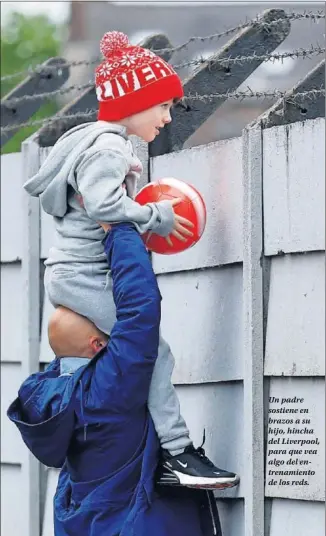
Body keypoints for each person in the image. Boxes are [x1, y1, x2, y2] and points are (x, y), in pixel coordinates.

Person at [22, 30, 239, 488]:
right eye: (161, 104)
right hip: (84, 276)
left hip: (69, 273)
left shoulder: (94, 141)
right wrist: (155, 215)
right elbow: (103, 206)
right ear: (133, 103)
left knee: (105, 356)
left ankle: (76, 429)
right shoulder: (109, 148)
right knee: (154, 352)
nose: (167, 115)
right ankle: (177, 453)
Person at [8, 222, 224, 535]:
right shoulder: (110, 385)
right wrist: (119, 228)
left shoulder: (51, 398)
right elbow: (139, 309)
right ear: (98, 344)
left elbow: (69, 344)